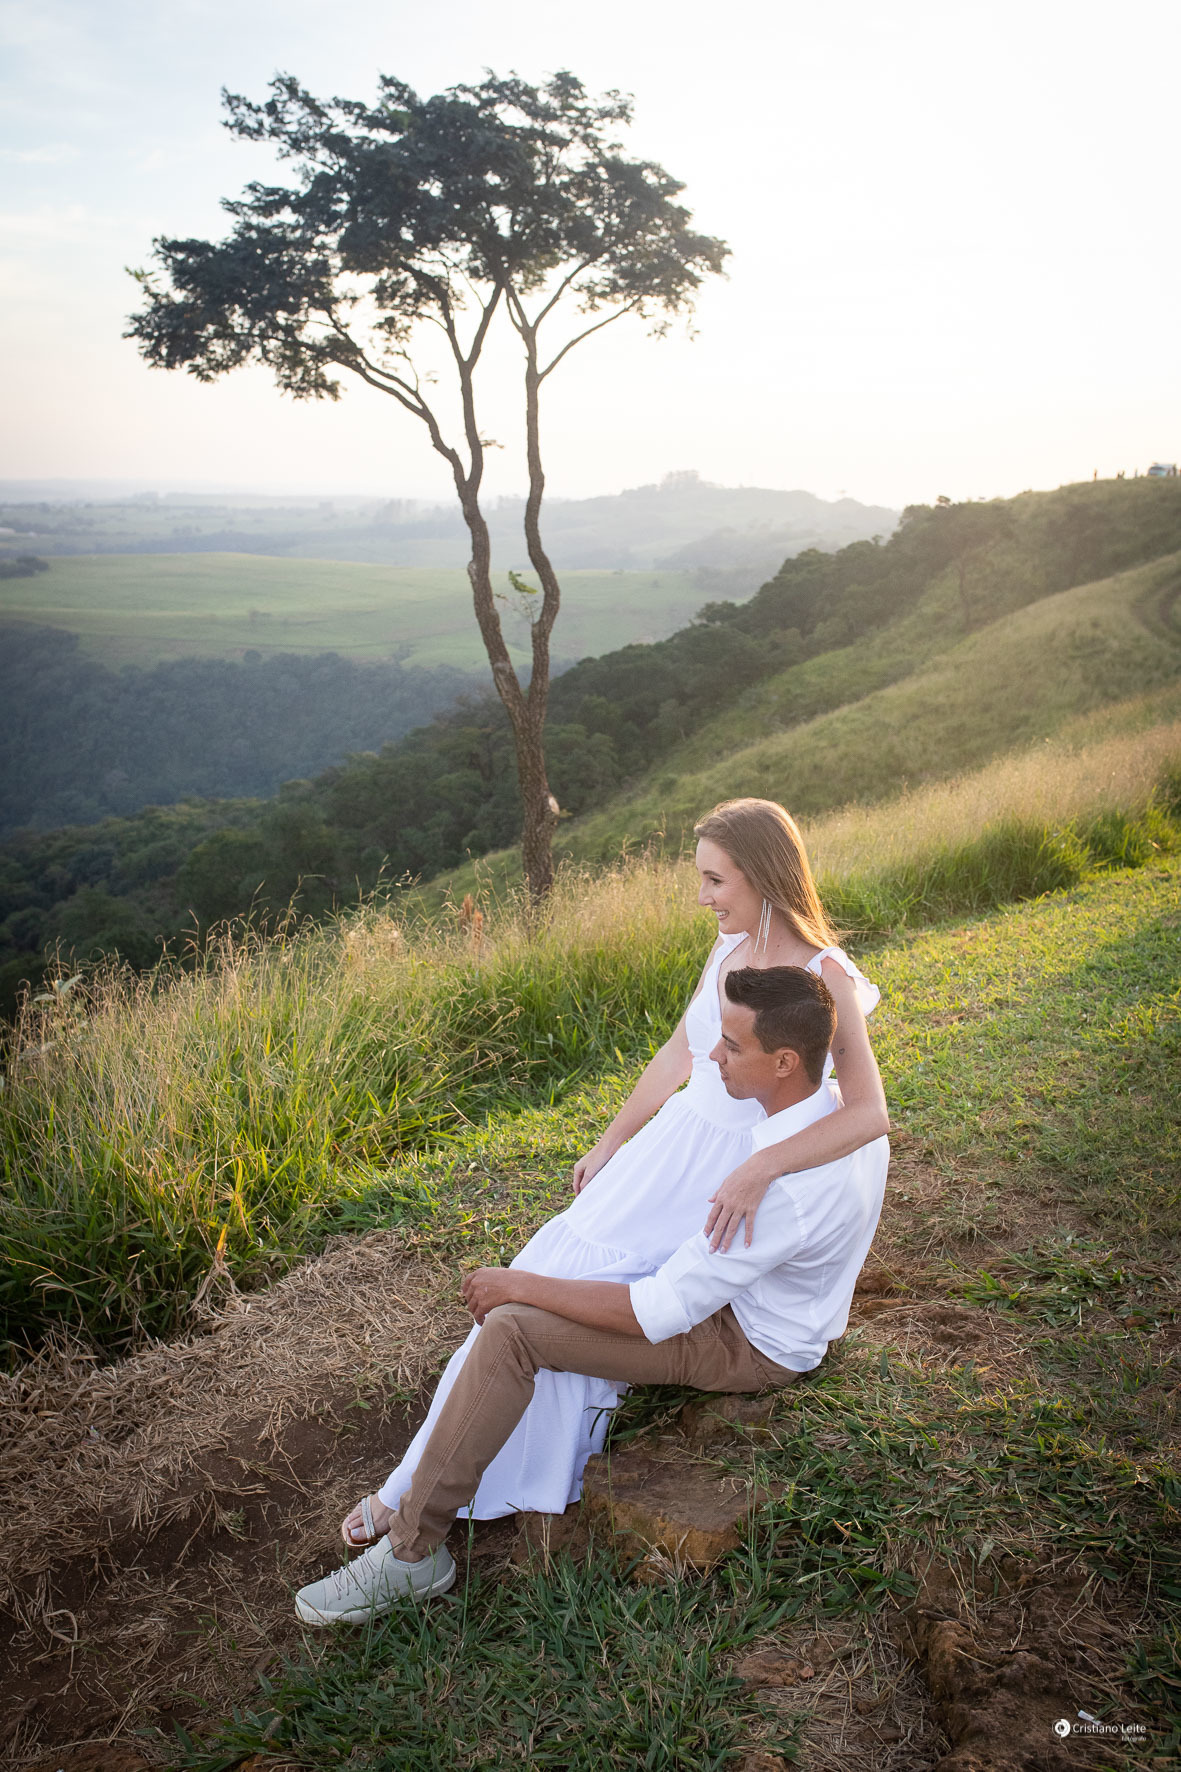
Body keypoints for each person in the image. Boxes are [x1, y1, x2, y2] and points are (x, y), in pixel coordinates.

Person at [339, 797, 889, 1554]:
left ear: (763, 874)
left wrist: (759, 1166)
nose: (703, 897)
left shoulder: (824, 975)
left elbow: (866, 1112)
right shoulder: (728, 949)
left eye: (715, 880)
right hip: (674, 1151)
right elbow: (681, 1052)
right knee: (552, 1266)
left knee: (581, 1296)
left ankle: (454, 1488)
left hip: (733, 1168)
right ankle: (415, 1480)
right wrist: (612, 1142)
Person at [296, 965, 889, 1621]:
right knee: (597, 1269)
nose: (713, 1056)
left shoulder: (774, 1192)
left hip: (750, 1344)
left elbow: (656, 1312)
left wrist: (518, 1283)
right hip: (786, 1305)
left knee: (513, 1330)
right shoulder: (840, 1115)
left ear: (783, 1062)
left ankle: (412, 1553)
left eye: (730, 1045)